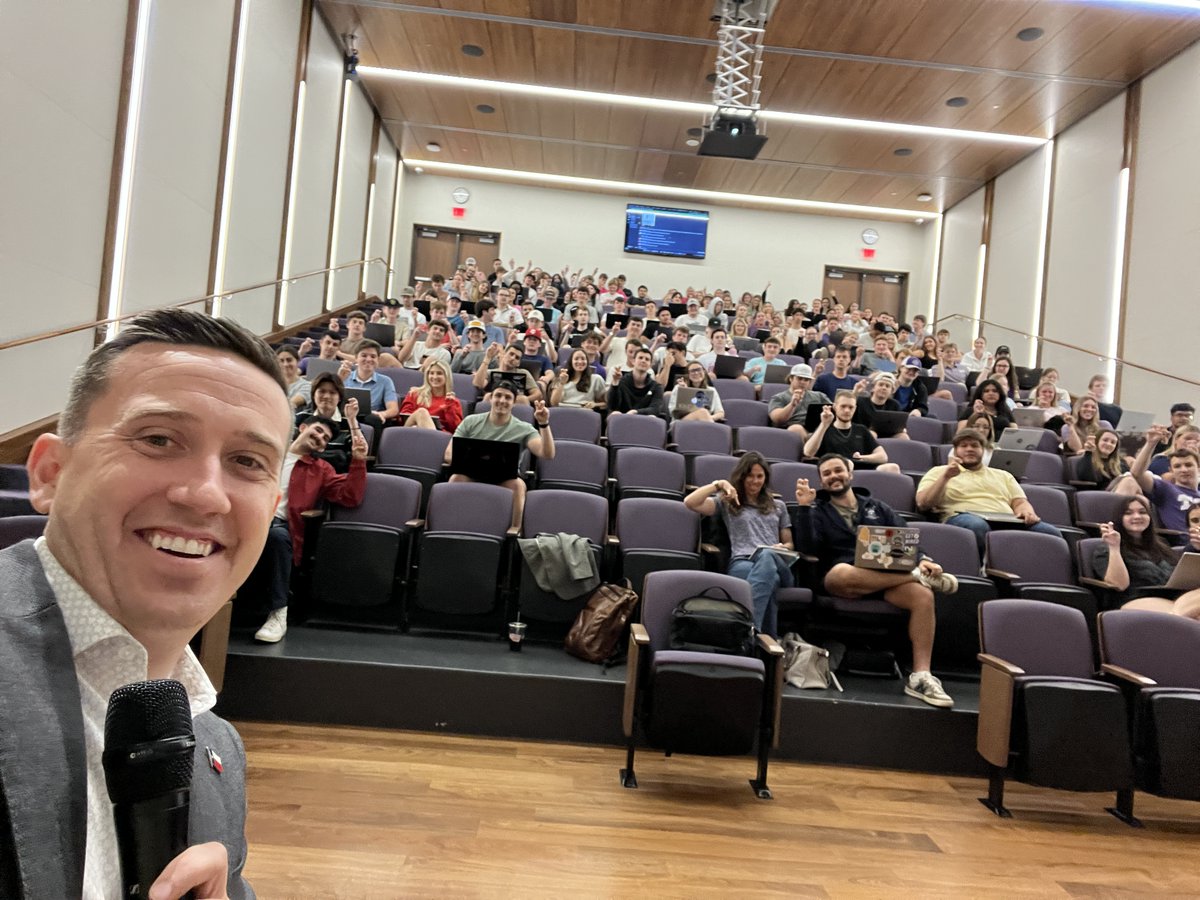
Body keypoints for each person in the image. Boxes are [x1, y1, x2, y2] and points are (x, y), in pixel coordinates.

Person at [10, 308, 291, 898]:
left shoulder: (217, 750)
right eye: (159, 439)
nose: (205, 494)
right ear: (50, 473)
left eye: (247, 462)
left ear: (270, 511)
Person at [793, 454, 958, 708]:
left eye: (838, 470)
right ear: (822, 481)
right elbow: (807, 547)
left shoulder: (877, 507)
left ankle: (922, 676)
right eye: (826, 474)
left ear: (850, 474)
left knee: (923, 596)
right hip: (844, 583)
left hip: (886, 580)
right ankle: (914, 576)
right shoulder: (818, 510)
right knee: (840, 572)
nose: (833, 476)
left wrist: (923, 559)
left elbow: (907, 541)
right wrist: (803, 507)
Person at [245, 414, 368, 643]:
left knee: (276, 535)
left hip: (278, 525)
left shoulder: (321, 470)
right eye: (318, 430)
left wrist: (358, 460)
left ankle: (278, 613)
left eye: (325, 439)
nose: (320, 438)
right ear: (302, 427)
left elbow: (350, 497)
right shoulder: (270, 453)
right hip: (245, 517)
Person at [683, 452, 793, 635]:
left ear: (765, 478)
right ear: (742, 477)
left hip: (777, 560)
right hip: (743, 560)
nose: (755, 481)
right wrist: (719, 484)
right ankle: (765, 643)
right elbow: (690, 502)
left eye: (760, 476)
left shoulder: (779, 505)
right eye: (750, 475)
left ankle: (748, 627)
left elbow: (789, 544)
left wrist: (782, 548)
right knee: (769, 580)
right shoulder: (729, 503)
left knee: (767, 556)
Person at [916, 430, 1063, 552]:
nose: (969, 449)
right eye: (963, 446)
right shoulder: (939, 472)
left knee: (1051, 533)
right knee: (977, 525)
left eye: (975, 445)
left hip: (1006, 519)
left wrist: (1027, 512)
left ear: (984, 450)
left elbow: (1020, 502)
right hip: (964, 518)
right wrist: (946, 477)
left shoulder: (1003, 475)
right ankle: (985, 570)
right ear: (955, 451)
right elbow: (923, 503)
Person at [445, 382, 555, 527]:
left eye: (508, 397)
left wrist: (543, 424)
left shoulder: (523, 428)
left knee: (518, 485)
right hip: (471, 474)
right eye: (498, 395)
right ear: (490, 398)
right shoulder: (471, 422)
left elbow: (547, 454)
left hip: (504, 478)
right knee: (455, 479)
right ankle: (448, 525)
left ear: (514, 403)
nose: (502, 400)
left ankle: (514, 532)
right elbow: (448, 454)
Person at [1089, 495, 1185, 610]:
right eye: (1128, 513)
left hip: (1173, 598)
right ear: (1119, 518)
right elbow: (1119, 585)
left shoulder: (1161, 544)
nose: (1137, 516)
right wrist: (1114, 547)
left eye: (1142, 512)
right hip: (1135, 600)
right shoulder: (1106, 548)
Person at [1124, 424, 1200, 537]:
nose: (1183, 470)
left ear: (1198, 468)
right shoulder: (1166, 489)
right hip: (1183, 545)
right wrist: (1150, 443)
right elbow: (1136, 474)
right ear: (1171, 470)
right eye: (1177, 466)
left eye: (1188, 465)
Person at [803, 391, 900, 473]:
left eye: (850, 407)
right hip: (835, 470)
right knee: (847, 463)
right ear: (835, 407)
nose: (847, 410)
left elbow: (882, 457)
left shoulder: (861, 429)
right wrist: (824, 424)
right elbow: (808, 452)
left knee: (892, 468)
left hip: (862, 469)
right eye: (843, 406)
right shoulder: (825, 428)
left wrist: (861, 457)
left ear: (855, 408)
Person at [339, 340, 399, 427]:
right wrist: (339, 379)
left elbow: (393, 409)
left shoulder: (386, 381)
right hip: (346, 416)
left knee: (374, 419)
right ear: (356, 358)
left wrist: (382, 414)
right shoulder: (345, 376)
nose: (368, 359)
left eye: (373, 356)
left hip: (371, 419)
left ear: (378, 360)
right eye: (364, 355)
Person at [398, 358, 463, 433]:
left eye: (439, 373)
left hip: (441, 435)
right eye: (431, 373)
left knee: (422, 413)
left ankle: (432, 439)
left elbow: (456, 429)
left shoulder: (453, 401)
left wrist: (450, 407)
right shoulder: (414, 394)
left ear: (447, 376)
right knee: (421, 413)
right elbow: (403, 419)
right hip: (413, 430)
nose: (435, 377)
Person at [767, 363, 830, 436]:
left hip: (818, 429)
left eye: (806, 380)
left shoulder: (819, 396)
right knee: (796, 429)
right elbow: (777, 419)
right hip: (792, 430)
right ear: (791, 379)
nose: (802, 382)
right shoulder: (779, 397)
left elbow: (834, 410)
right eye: (799, 378)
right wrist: (792, 405)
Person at [607, 348, 667, 419]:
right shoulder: (622, 381)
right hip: (622, 418)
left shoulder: (656, 387)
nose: (643, 361)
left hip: (643, 419)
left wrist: (636, 412)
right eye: (640, 358)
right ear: (633, 361)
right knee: (615, 414)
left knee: (652, 417)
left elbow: (655, 409)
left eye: (647, 359)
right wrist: (615, 383)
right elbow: (613, 406)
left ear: (650, 365)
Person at [276, 345, 312, 410]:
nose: (285, 364)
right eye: (281, 361)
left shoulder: (307, 385)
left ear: (297, 361)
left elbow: (291, 404)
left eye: (289, 360)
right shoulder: (272, 383)